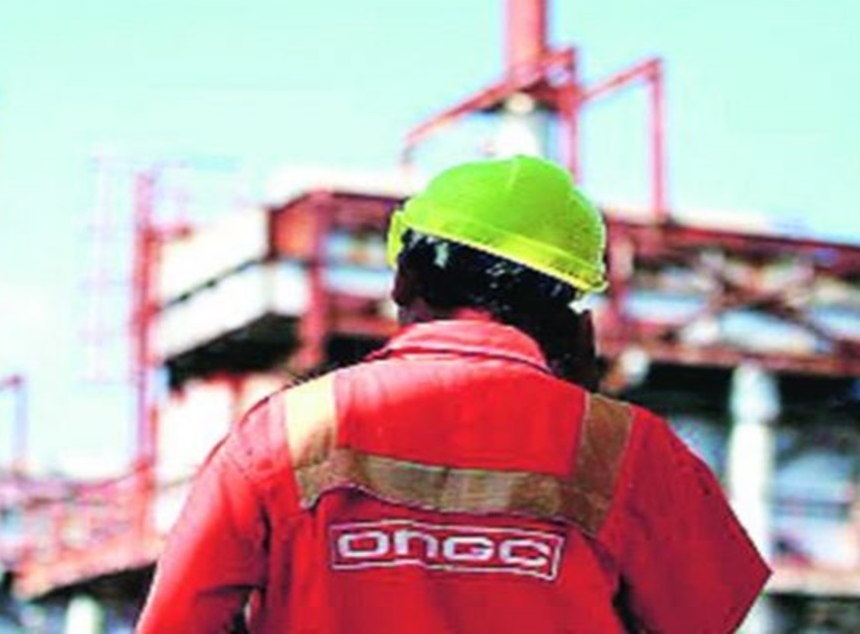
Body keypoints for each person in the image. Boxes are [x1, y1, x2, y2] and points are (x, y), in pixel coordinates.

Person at [137, 155, 770, 633]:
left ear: (404, 278)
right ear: (566, 309)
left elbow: (177, 620)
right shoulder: (626, 448)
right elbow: (708, 616)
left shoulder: (288, 431)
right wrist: (582, 403)